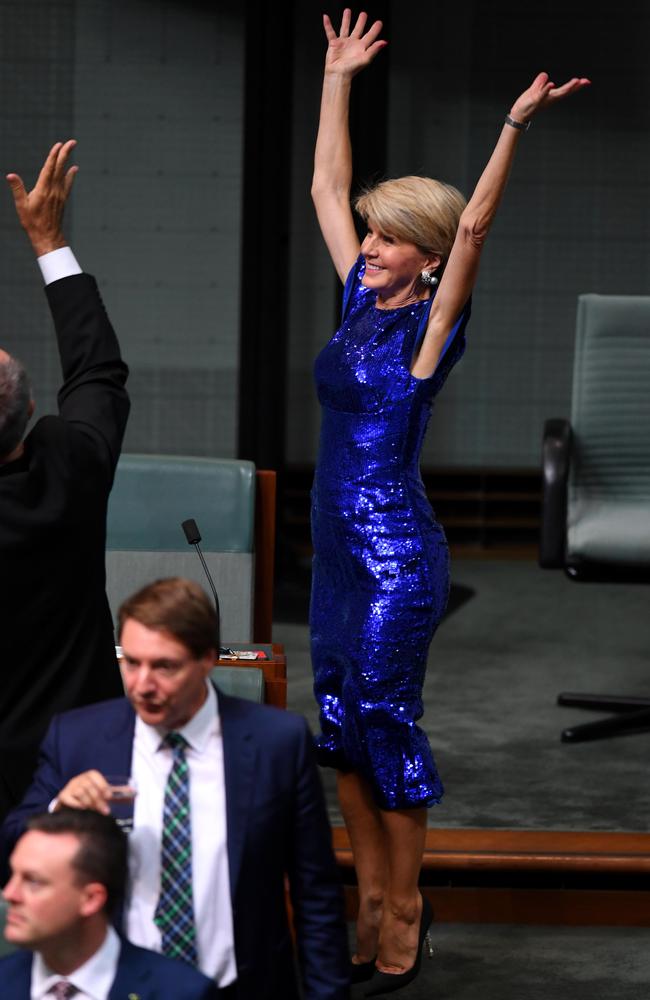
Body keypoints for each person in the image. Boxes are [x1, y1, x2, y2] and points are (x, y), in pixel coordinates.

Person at [309, 9, 589, 994]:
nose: (372, 245)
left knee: (383, 714)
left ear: (425, 258)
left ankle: (404, 910)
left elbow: (474, 223)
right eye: (371, 235)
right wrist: (337, 75)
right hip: (333, 549)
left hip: (392, 552)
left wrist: (511, 123)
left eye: (392, 239)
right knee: (336, 722)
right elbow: (324, 185)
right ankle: (367, 901)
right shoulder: (355, 301)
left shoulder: (430, 329)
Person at [2, 578, 349, 1000]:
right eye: (131, 662)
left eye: (164, 666)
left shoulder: (278, 743)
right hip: (119, 987)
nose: (142, 685)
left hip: (243, 987)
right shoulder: (79, 739)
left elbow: (316, 894)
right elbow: (13, 840)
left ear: (207, 660)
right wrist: (60, 808)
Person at [0, 141, 130, 819]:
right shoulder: (70, 469)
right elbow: (97, 371)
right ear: (27, 411)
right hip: (72, 771)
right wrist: (49, 241)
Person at [0, 808, 219, 999]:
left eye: (34, 882)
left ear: (91, 899)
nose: (10, 894)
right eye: (13, 876)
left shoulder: (180, 993)